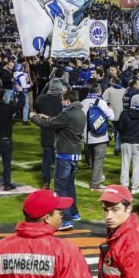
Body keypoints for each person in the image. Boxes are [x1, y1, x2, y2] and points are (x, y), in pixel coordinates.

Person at [30, 89, 86, 230]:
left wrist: (34, 117)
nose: (61, 102)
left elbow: (49, 125)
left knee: (61, 188)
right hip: (74, 154)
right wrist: (48, 117)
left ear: (67, 100)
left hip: (64, 155)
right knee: (70, 186)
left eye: (62, 100)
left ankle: (65, 220)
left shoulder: (68, 114)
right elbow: (59, 121)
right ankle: (74, 213)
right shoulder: (80, 112)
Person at [81, 82, 116, 191]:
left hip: (87, 136)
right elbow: (112, 117)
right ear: (99, 91)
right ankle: (95, 184)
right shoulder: (101, 102)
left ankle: (98, 180)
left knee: (92, 159)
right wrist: (109, 108)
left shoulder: (82, 103)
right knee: (98, 160)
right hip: (100, 136)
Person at [34, 78, 65, 190]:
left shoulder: (41, 98)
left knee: (46, 160)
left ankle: (46, 182)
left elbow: (37, 112)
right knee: (60, 160)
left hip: (46, 131)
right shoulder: (63, 100)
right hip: (60, 133)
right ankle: (59, 182)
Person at [116, 94, 139, 193]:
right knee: (137, 165)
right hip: (138, 142)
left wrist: (126, 134)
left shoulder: (124, 114)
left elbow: (119, 128)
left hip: (126, 141)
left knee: (125, 164)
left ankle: (124, 186)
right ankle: (134, 187)